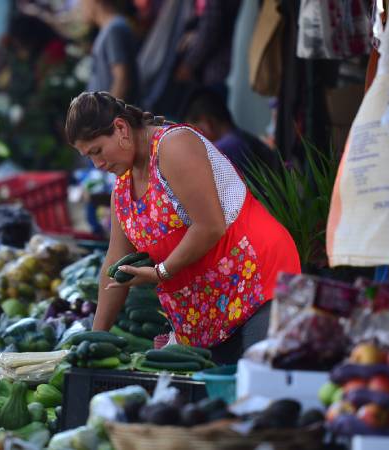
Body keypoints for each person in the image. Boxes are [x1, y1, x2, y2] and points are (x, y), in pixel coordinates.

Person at [65, 91, 301, 364]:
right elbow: (115, 262)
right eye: (88, 157)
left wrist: (160, 272)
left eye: (97, 151)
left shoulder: (173, 145)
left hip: (258, 280)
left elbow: (209, 225)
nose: (98, 164)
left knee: (259, 387)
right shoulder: (122, 189)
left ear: (120, 128)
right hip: (212, 308)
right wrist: (96, 338)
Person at [183, 87, 282, 187]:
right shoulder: (239, 139)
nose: (196, 141)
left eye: (195, 134)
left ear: (208, 124)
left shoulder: (225, 148)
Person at [80, 0, 139, 103]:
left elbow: (122, 80)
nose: (80, 7)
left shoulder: (114, 28)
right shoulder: (109, 28)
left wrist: (109, 115)